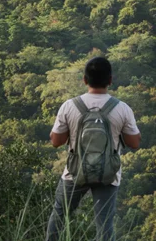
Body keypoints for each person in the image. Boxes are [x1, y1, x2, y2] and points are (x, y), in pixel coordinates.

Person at [45, 57, 141, 241]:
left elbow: (56, 141)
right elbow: (134, 143)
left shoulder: (69, 106)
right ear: (110, 80)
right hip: (108, 174)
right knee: (104, 225)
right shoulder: (122, 109)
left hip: (74, 172)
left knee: (59, 216)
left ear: (85, 79)